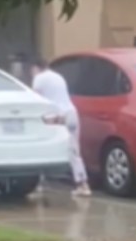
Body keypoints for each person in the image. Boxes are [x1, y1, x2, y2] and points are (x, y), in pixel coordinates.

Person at [31, 58, 91, 197]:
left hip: (56, 117)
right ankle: (83, 184)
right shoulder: (58, 76)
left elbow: (35, 99)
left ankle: (38, 184)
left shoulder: (39, 78)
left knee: (42, 148)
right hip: (71, 113)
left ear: (36, 68)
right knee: (74, 150)